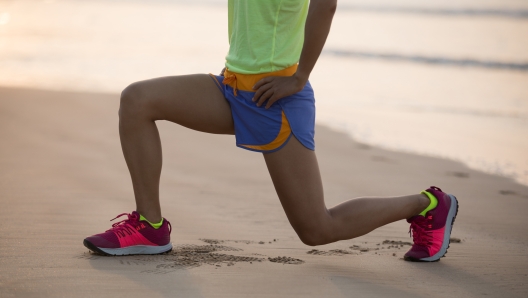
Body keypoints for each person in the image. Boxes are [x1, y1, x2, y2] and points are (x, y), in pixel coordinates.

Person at [83, 0, 458, 262]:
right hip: (230, 87)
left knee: (317, 229)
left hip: (274, 99)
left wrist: (299, 77)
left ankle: (426, 204)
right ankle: (150, 226)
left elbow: (325, 3)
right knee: (138, 100)